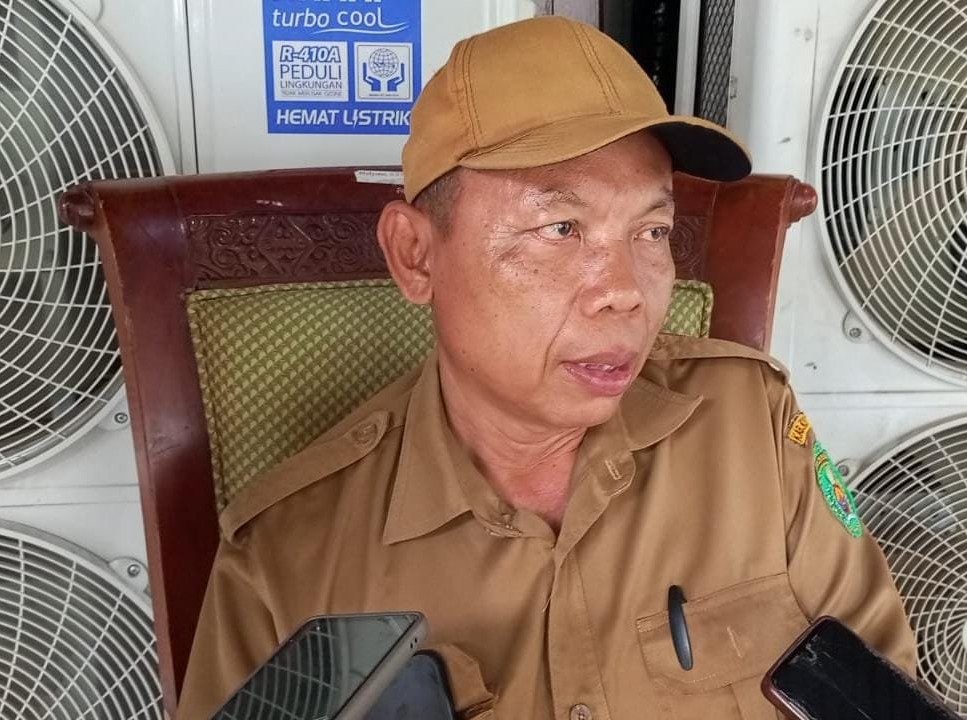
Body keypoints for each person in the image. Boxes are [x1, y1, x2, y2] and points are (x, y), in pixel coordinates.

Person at [177, 15, 915, 720]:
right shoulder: (287, 559)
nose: (626, 291)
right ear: (416, 255)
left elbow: (883, 691)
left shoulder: (751, 427)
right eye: (561, 228)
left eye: (653, 230)